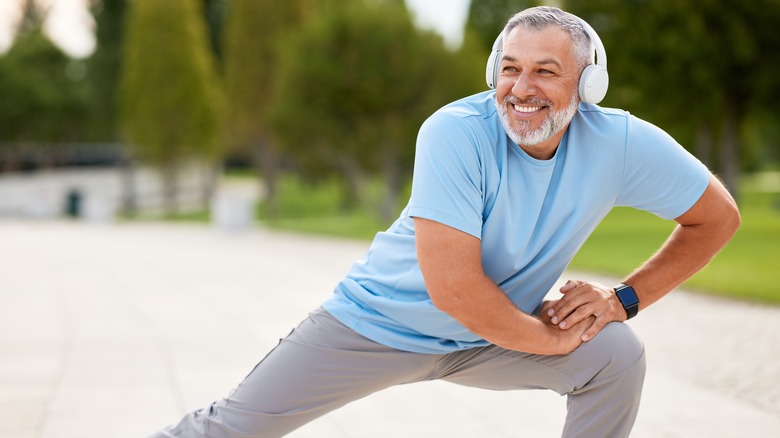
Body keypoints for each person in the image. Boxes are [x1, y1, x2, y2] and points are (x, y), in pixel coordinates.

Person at [151, 6, 740, 438]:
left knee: (615, 357)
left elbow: (716, 217)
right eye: (509, 68)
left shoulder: (621, 142)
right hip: (375, 325)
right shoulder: (455, 131)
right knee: (230, 429)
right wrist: (546, 337)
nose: (521, 89)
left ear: (588, 86)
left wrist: (623, 299)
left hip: (489, 337)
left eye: (545, 72)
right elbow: (453, 288)